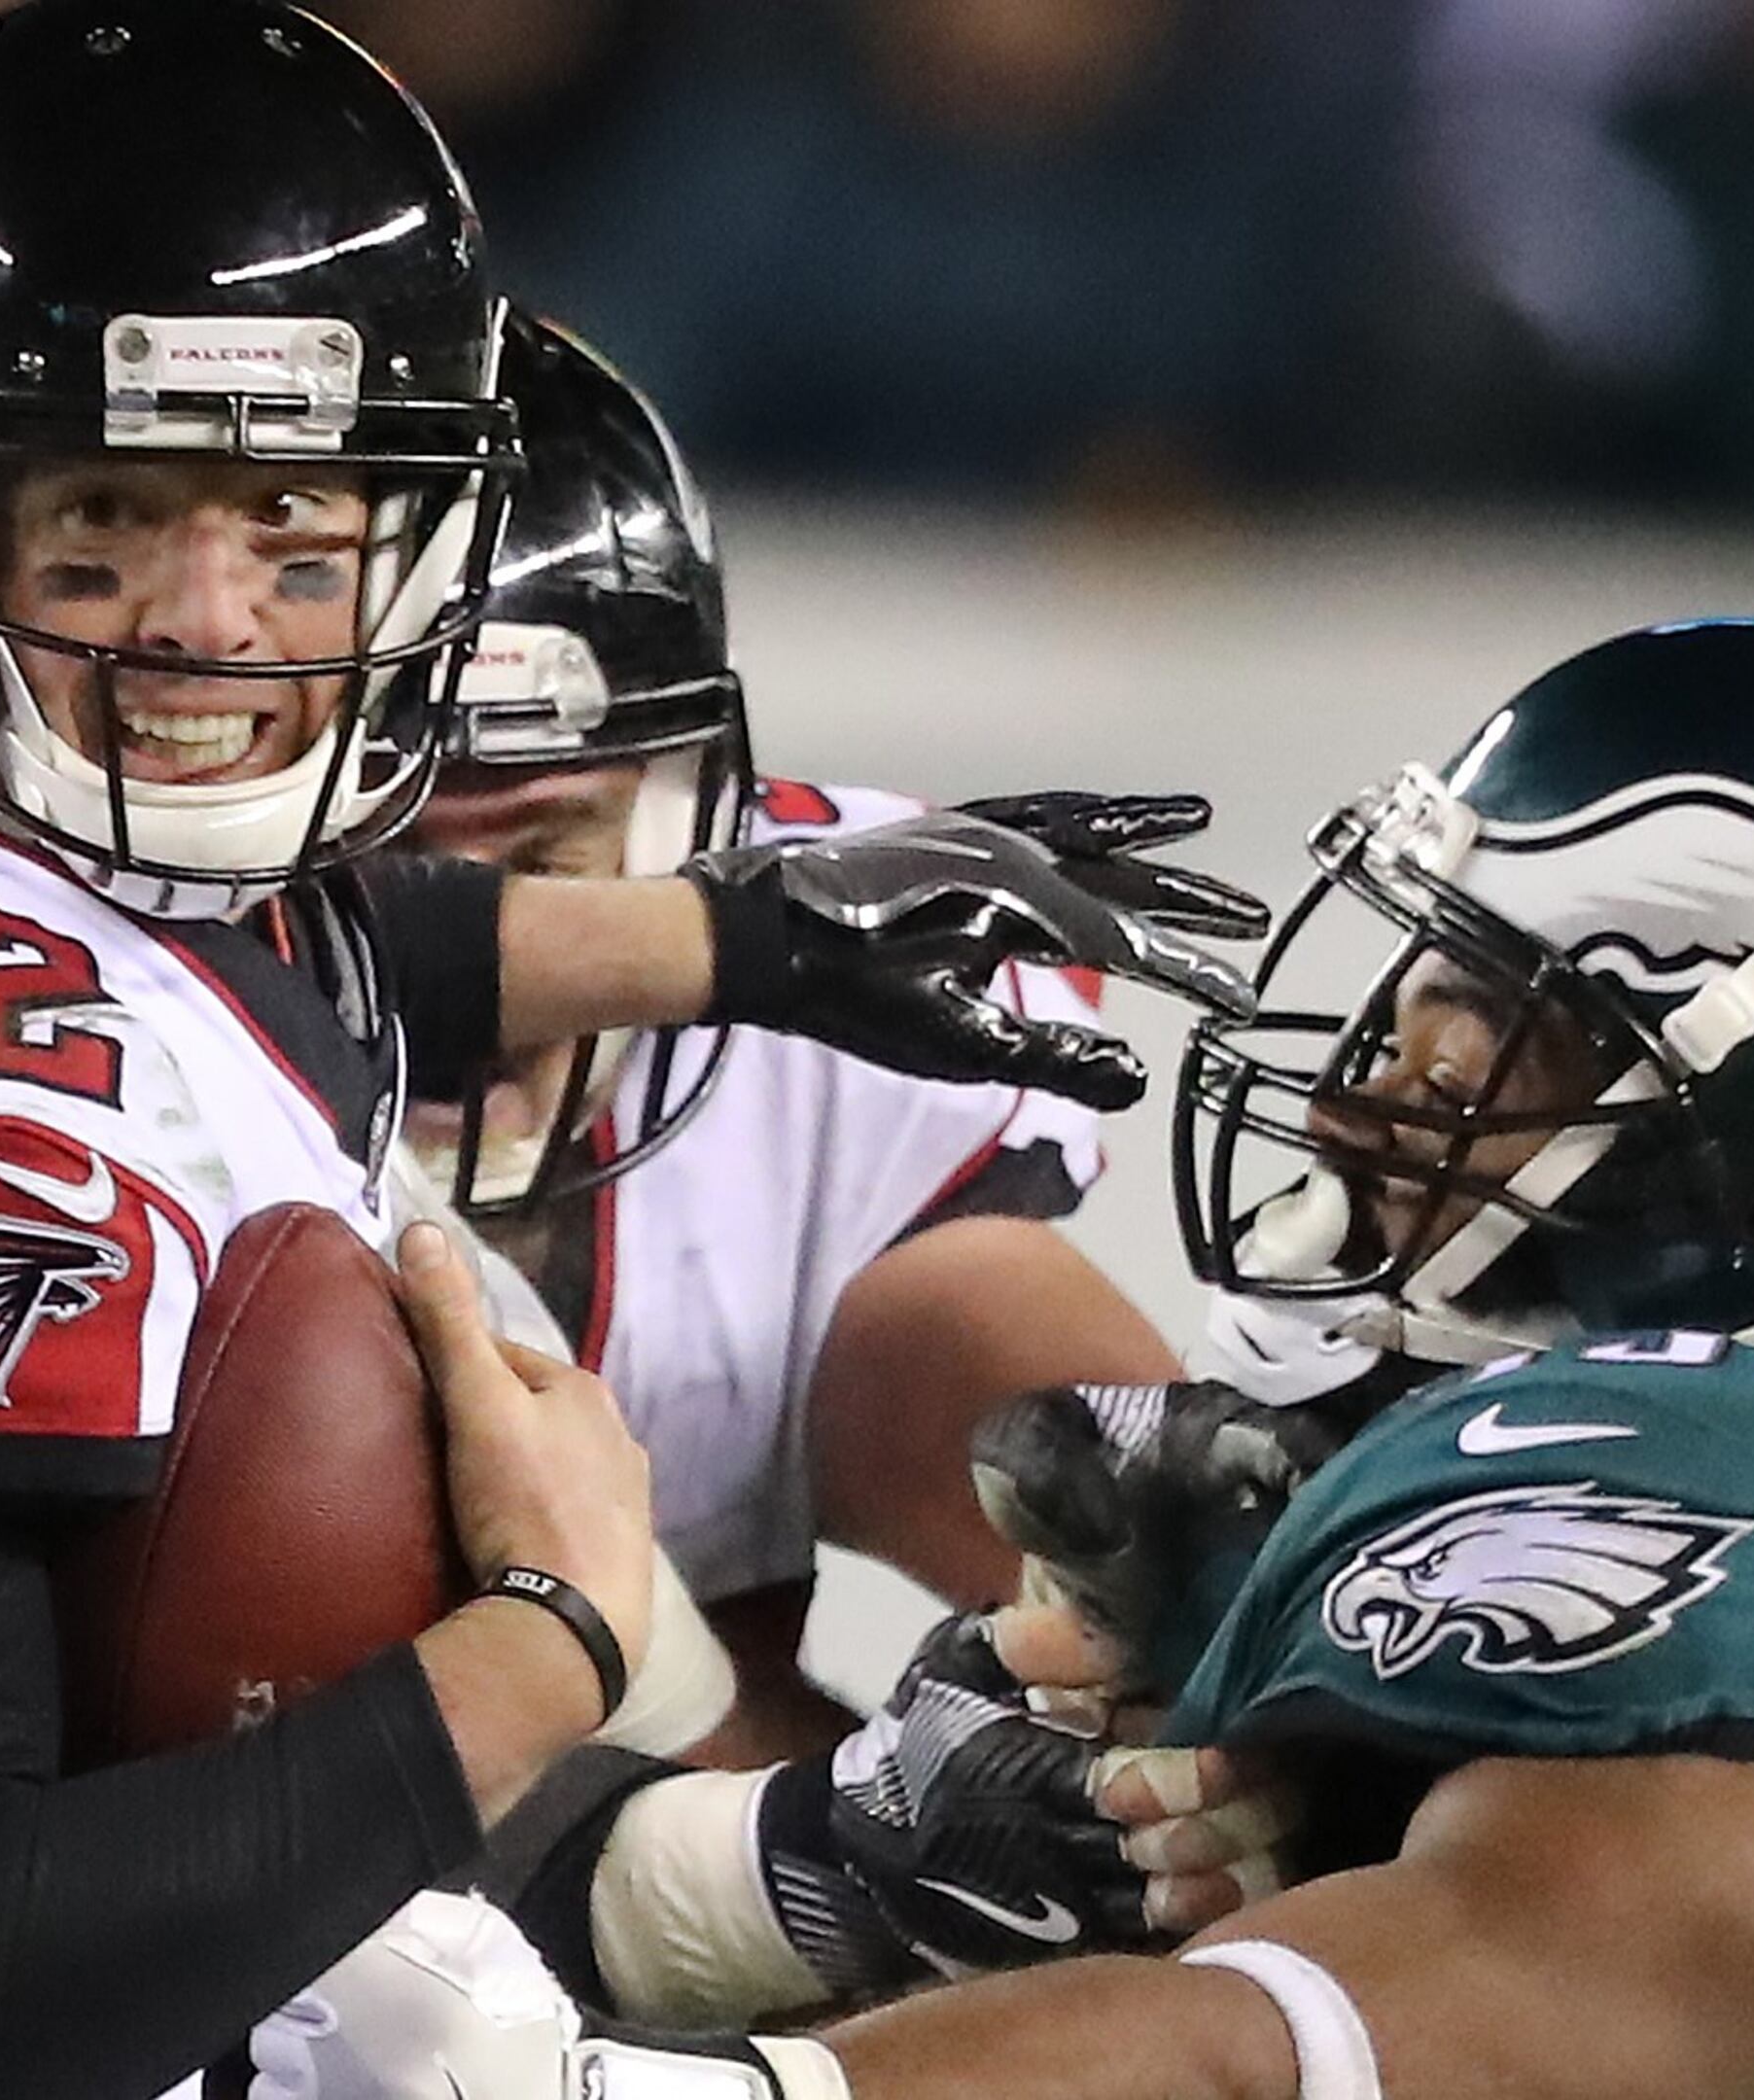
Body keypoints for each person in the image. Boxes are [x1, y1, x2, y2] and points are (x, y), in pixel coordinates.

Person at [0, 9, 1253, 2099]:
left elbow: (199, 927)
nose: (210, 627)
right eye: (109, 529)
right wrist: (549, 1641)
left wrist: (712, 941)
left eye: (299, 535)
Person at [280, 619, 1754, 2099]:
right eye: (1416, 985)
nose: (1379, 1088)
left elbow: (1283, 2062)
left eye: (1507, 1040)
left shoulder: (1747, 1518)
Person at [384, 314, 1236, 1760]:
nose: (488, 938)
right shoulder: (52, 1040)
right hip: (223, 1892)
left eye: (548, 848)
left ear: (698, 806)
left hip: (632, 1874)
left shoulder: (821, 1053)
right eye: (381, 857)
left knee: (1185, 1577)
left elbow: (1183, 1599)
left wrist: (1229, 1722)